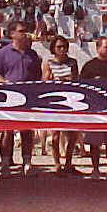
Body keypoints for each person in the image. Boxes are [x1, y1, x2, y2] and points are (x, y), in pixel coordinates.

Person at [0, 20, 42, 178]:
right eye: (21, 31)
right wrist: (6, 84)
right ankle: (5, 163)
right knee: (7, 131)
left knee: (27, 130)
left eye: (26, 31)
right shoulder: (2, 53)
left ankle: (27, 162)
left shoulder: (32, 54)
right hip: (9, 97)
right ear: (12, 34)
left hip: (27, 97)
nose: (25, 34)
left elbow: (37, 76)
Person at [79, 36, 107, 180]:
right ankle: (95, 170)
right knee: (95, 142)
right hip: (96, 109)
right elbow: (82, 87)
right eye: (106, 47)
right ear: (97, 48)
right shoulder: (89, 66)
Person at [42, 35, 80, 176]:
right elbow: (45, 81)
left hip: (70, 99)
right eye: (59, 47)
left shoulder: (72, 62)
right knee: (55, 135)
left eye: (64, 47)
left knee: (72, 134)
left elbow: (76, 80)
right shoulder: (49, 63)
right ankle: (57, 163)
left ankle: (68, 162)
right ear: (54, 48)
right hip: (55, 100)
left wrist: (69, 80)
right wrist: (55, 80)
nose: (62, 49)